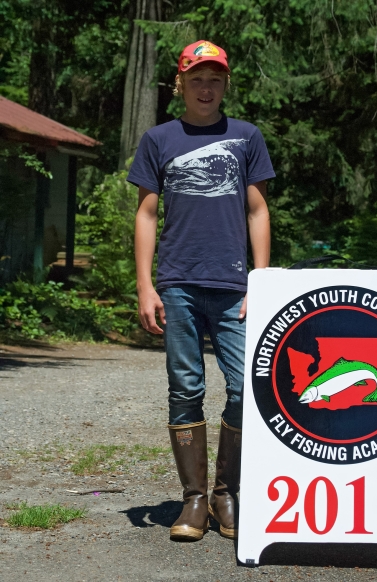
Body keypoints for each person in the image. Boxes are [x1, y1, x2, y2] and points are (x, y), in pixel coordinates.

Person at [127, 40, 275, 542]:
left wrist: (262, 279)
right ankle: (192, 499)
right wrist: (147, 285)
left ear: (225, 84)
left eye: (214, 79)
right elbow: (146, 214)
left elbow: (257, 210)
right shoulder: (159, 139)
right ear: (180, 85)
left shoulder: (246, 137)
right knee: (186, 388)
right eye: (196, 79)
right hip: (178, 283)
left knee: (243, 388)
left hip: (235, 285)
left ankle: (225, 494)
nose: (205, 88)